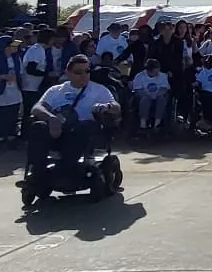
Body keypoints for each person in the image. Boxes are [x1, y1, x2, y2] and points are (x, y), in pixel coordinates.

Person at [27, 54, 119, 189]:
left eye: (87, 71)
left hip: (85, 132)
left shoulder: (99, 90)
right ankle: (38, 172)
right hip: (59, 131)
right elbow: (36, 108)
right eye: (78, 72)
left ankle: (64, 170)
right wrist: (51, 118)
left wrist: (107, 107)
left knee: (82, 126)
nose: (84, 75)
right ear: (68, 73)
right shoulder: (56, 90)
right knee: (38, 126)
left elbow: (116, 107)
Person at [131, 58, 171, 135]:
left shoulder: (162, 76)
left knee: (162, 99)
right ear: (149, 70)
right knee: (145, 100)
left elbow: (164, 88)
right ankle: (143, 124)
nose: (157, 73)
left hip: (158, 96)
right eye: (155, 72)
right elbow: (138, 90)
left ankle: (157, 124)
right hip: (144, 96)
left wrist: (156, 95)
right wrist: (148, 95)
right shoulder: (139, 76)